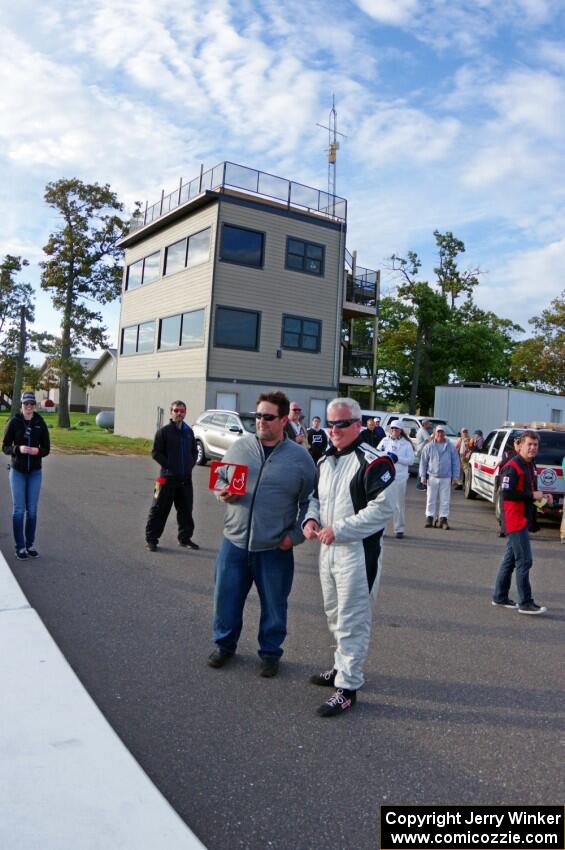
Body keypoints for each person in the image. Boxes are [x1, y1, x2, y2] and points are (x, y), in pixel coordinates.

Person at [208, 390, 316, 677]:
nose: (261, 422)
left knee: (275, 604)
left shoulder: (300, 459)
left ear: (283, 420)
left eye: (268, 417)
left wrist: (295, 536)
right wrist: (223, 493)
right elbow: (221, 482)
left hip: (274, 547)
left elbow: (312, 501)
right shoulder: (240, 447)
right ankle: (224, 645)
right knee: (226, 598)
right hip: (234, 541)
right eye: (257, 416)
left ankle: (270, 653)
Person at [303, 397, 396, 717]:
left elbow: (383, 510)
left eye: (342, 424)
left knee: (353, 619)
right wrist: (310, 520)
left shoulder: (374, 461)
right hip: (328, 549)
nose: (334, 430)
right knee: (333, 614)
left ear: (358, 424)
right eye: (330, 423)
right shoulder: (324, 461)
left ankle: (348, 687)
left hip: (357, 553)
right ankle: (340, 667)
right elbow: (314, 498)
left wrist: (339, 530)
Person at [492, 430, 552, 614]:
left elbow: (529, 491)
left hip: (523, 519)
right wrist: (531, 495)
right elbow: (507, 493)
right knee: (525, 561)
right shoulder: (513, 466)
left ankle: (500, 597)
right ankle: (525, 602)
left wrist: (543, 499)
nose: (532, 448)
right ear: (521, 446)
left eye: (535, 445)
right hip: (514, 520)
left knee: (509, 561)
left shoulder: (530, 465)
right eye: (529, 445)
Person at [2, 391, 50, 560]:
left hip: (35, 472)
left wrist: (38, 451)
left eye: (31, 404)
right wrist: (18, 449)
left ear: (34, 405)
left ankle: (30, 544)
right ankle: (20, 547)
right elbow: (5, 446)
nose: (29, 407)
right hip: (18, 472)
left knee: (32, 511)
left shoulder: (40, 422)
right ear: (21, 405)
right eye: (26, 404)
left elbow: (46, 449)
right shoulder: (14, 422)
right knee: (18, 510)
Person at [145, 400, 199, 552]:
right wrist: (170, 465)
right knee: (158, 509)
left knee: (186, 510)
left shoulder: (188, 432)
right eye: (176, 410)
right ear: (171, 412)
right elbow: (155, 453)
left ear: (185, 412)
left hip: (185, 480)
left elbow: (194, 451)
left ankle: (185, 539)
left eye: (182, 411)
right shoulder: (164, 432)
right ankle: (151, 540)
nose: (179, 413)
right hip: (166, 479)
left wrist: (190, 464)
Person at [377, 420, 415, 539]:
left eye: (396, 429)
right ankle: (381, 529)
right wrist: (385, 455)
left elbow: (411, 461)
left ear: (401, 431)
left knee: (399, 504)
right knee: (384, 503)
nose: (394, 431)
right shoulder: (384, 441)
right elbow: (376, 453)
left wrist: (397, 458)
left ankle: (399, 529)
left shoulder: (406, 444)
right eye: (392, 428)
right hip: (386, 476)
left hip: (400, 477)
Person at [419, 425, 460, 529]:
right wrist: (423, 476)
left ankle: (443, 519)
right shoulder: (429, 446)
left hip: (446, 477)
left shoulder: (450, 446)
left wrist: (455, 477)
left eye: (442, 432)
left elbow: (455, 462)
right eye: (438, 432)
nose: (440, 434)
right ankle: (429, 518)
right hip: (432, 477)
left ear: (444, 433)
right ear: (435, 433)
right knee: (430, 499)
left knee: (445, 500)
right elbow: (423, 462)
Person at [415, 419, 433, 489]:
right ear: (424, 424)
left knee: (422, 467)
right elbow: (430, 440)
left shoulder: (421, 430)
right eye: (428, 424)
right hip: (422, 451)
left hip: (421, 450)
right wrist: (434, 434)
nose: (429, 425)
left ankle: (421, 484)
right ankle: (419, 485)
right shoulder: (423, 431)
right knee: (422, 467)